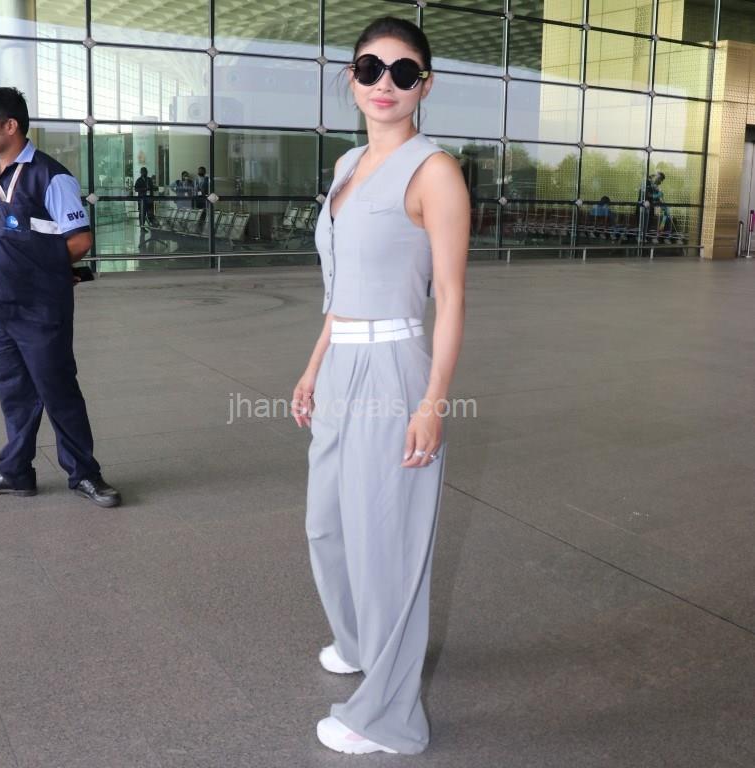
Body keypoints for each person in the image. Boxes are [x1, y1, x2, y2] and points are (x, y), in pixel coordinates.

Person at [292, 17, 469, 756]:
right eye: (370, 69)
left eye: (402, 72)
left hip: (395, 370)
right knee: (327, 527)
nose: (384, 84)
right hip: (340, 365)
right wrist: (313, 366)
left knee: (385, 547)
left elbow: (450, 297)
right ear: (352, 79)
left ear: (425, 84)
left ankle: (390, 719)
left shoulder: (435, 172)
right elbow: (340, 290)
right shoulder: (347, 165)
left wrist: (432, 402)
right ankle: (365, 643)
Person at [0, 87, 121, 507]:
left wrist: (44, 272)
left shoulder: (51, 176)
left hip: (40, 307)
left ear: (10, 125)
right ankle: (16, 471)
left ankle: (85, 474)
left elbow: (79, 240)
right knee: (13, 391)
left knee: (57, 389)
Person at [193, 166, 209, 231]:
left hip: (204, 199)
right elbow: (194, 189)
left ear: (204, 172)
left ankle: (201, 228)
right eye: (199, 170)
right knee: (198, 213)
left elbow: (208, 188)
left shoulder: (207, 179)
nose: (200, 172)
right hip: (198, 199)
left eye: (201, 171)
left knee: (204, 213)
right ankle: (197, 228)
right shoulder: (196, 180)